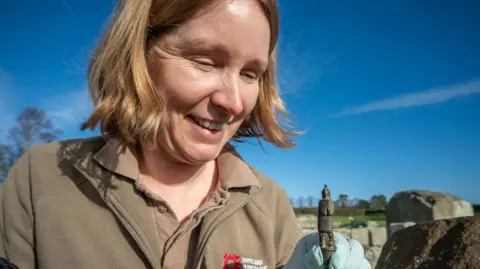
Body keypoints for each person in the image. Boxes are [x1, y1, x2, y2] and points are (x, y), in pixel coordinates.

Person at [0, 0, 371, 268]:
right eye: (205, 62)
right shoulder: (40, 180)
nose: (232, 102)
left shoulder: (271, 204)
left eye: (250, 74)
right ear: (138, 55)